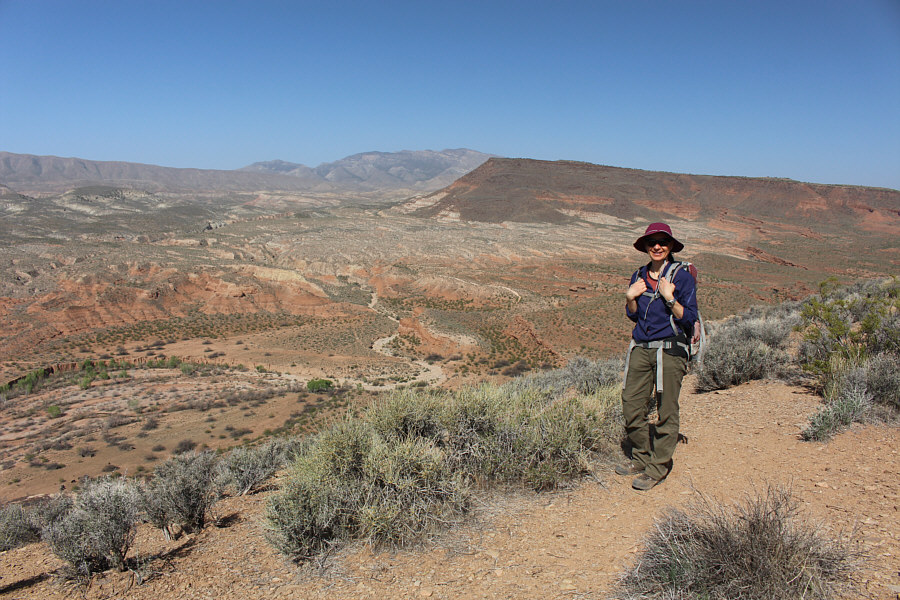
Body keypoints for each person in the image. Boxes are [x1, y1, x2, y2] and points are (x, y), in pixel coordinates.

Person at [618, 222, 698, 490]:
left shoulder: (681, 277)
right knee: (631, 403)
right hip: (641, 347)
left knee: (666, 408)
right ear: (645, 246)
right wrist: (630, 296)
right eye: (652, 242)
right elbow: (633, 314)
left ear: (671, 246)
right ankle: (641, 457)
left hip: (669, 349)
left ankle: (657, 467)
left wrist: (669, 298)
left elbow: (689, 317)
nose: (657, 246)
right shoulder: (639, 275)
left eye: (663, 242)